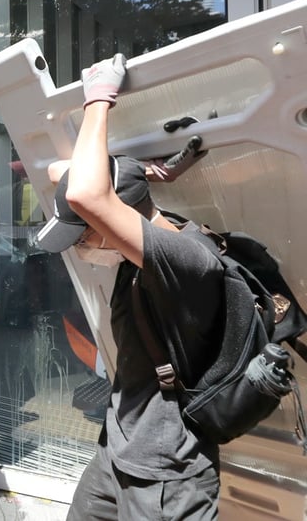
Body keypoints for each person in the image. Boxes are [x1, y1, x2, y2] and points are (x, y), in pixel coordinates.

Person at [34, 55, 223, 520]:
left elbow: (85, 194)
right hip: (117, 450)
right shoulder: (139, 249)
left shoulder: (187, 259)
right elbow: (63, 174)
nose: (78, 246)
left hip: (167, 474)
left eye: (83, 233)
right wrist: (141, 170)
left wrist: (99, 98)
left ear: (119, 217)